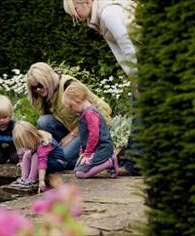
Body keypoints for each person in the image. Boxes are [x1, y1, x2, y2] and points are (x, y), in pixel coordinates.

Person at [63, 0, 140, 175]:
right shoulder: (100, 17)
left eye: (74, 11)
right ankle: (135, 160)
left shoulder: (108, 13)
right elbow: (120, 52)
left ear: (87, 2)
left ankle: (135, 163)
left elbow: (128, 46)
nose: (74, 17)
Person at [26, 62, 111, 169]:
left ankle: (99, 159)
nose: (38, 90)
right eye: (34, 87)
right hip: (72, 129)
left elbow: (96, 111)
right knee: (43, 121)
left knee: (64, 159)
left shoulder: (69, 85)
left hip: (90, 128)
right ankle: (59, 154)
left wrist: (71, 136)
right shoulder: (46, 94)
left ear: (47, 79)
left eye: (40, 85)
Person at [62, 83, 118, 178]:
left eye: (71, 106)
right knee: (77, 169)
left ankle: (110, 161)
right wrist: (82, 152)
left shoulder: (90, 114)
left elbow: (94, 135)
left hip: (102, 148)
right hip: (93, 150)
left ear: (77, 100)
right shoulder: (83, 114)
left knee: (81, 174)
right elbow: (85, 137)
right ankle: (106, 161)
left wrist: (87, 154)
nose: (71, 110)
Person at [11, 121, 67, 192]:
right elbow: (24, 153)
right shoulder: (34, 139)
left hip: (58, 162)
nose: (25, 147)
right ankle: (24, 178)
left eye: (26, 144)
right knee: (27, 153)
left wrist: (41, 180)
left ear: (31, 136)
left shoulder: (44, 143)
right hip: (47, 160)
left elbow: (42, 162)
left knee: (35, 156)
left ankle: (32, 180)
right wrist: (22, 161)